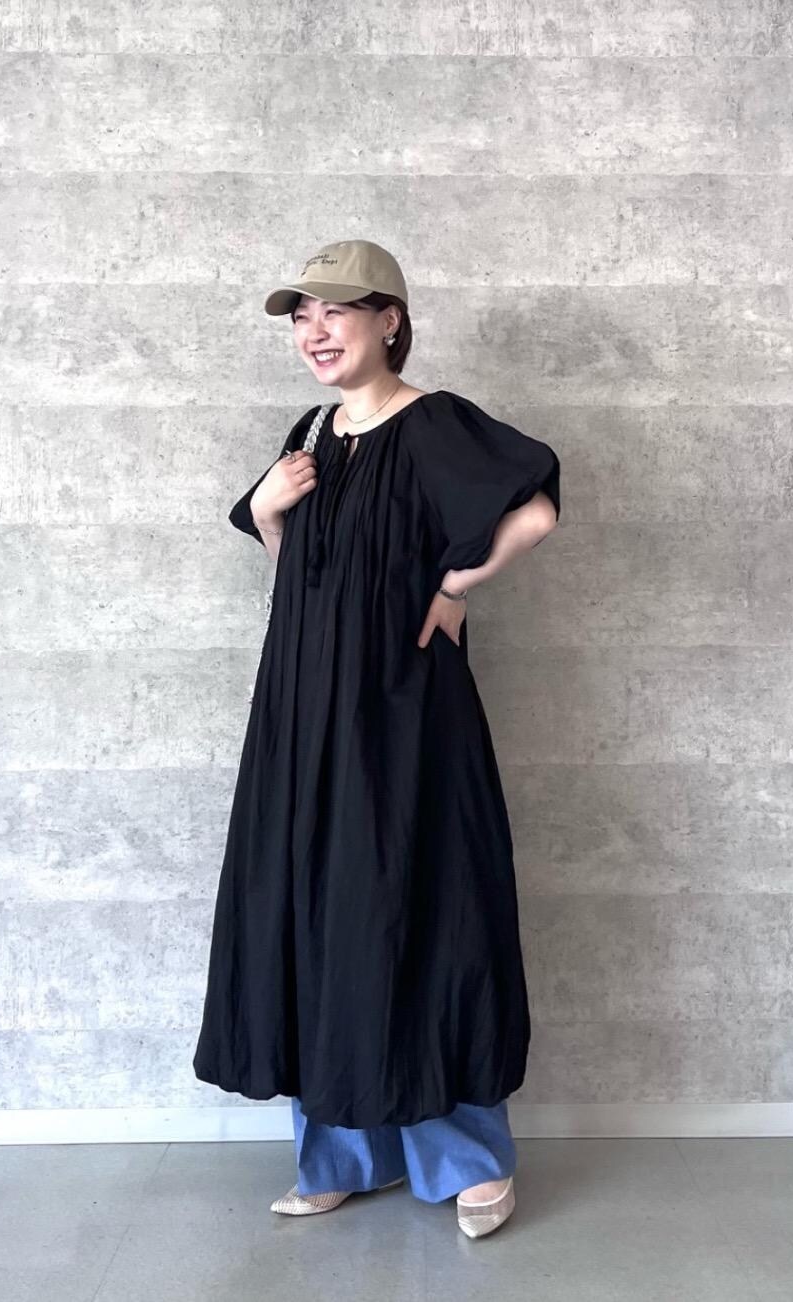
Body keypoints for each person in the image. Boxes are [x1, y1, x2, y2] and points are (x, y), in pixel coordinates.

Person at [193, 239, 561, 1238]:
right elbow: (308, 574)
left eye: (335, 312)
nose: (314, 332)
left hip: (401, 721)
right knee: (320, 916)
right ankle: (340, 1153)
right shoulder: (312, 436)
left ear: (389, 319)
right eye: (300, 317)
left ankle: (468, 1161)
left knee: (426, 911)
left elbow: (531, 511)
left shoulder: (431, 423)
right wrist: (269, 512)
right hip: (302, 720)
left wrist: (454, 587)